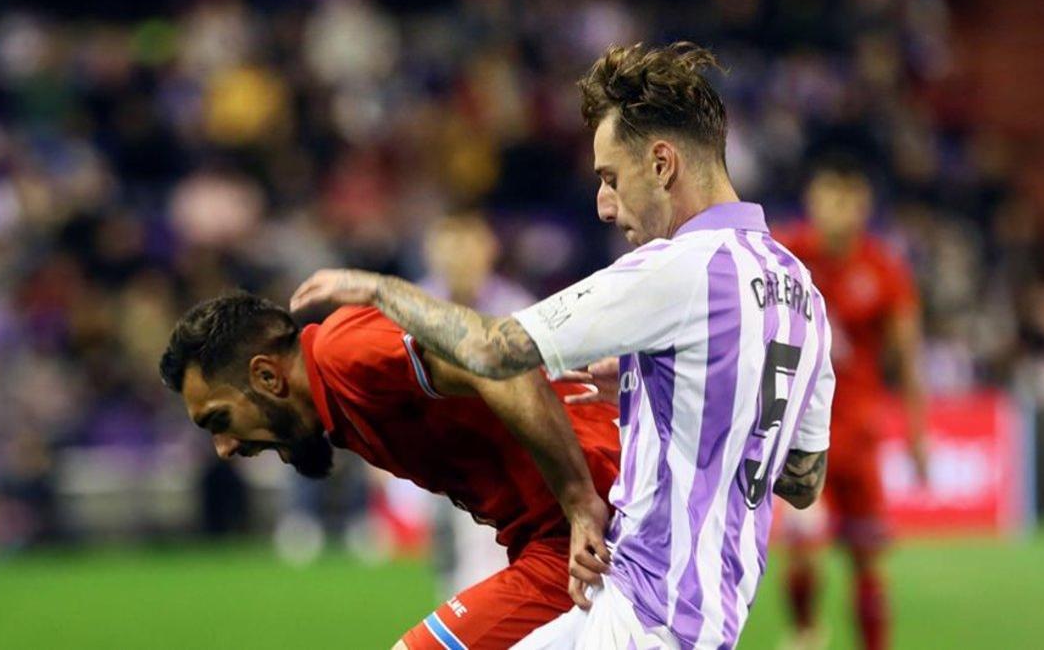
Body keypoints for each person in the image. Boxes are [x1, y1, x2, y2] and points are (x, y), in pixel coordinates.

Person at [290, 42, 835, 649]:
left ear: (661, 164)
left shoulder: (682, 269)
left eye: (610, 178)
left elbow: (497, 350)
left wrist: (381, 287)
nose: (604, 206)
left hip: (648, 623)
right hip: (676, 608)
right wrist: (651, 388)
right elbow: (801, 479)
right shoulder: (802, 292)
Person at [159, 292, 619, 649]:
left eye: (219, 420)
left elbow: (500, 364)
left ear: (266, 377)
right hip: (572, 542)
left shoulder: (342, 352)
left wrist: (580, 504)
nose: (224, 448)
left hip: (597, 528)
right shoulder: (339, 405)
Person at [776, 156, 929, 650]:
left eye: (849, 199)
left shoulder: (884, 268)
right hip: (800, 428)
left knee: (865, 556)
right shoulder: (785, 253)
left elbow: (907, 359)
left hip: (858, 433)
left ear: (864, 206)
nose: (839, 210)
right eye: (829, 197)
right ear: (811, 201)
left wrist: (916, 433)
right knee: (801, 546)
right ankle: (804, 634)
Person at [418, 210, 537, 597]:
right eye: (449, 249)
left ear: (489, 250)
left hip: (501, 454)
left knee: (492, 567)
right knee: (448, 569)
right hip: (431, 451)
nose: (458, 259)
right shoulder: (413, 304)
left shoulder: (515, 306)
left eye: (466, 248)